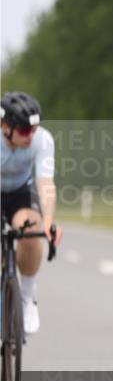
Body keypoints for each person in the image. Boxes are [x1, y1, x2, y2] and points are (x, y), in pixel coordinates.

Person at [0, 92, 63, 334]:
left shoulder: (42, 140)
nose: (31, 135)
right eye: (25, 130)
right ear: (5, 127)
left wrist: (47, 221)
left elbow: (45, 183)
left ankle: (27, 296)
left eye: (34, 129)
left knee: (32, 229)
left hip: (20, 192)